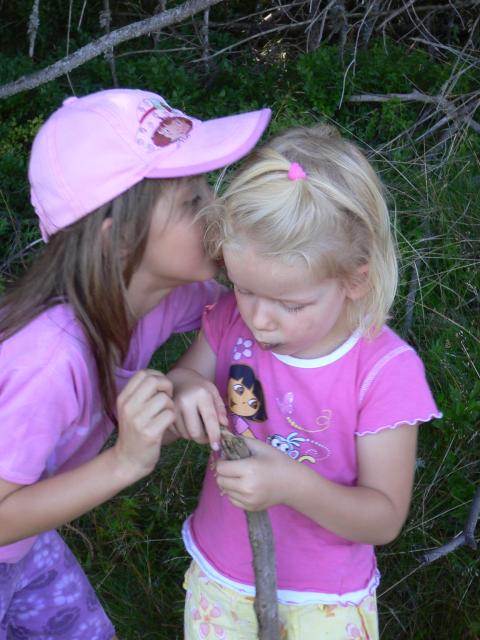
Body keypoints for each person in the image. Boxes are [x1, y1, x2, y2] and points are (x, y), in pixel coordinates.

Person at [0, 88, 271, 639]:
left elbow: (241, 312)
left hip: (22, 546)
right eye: (193, 203)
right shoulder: (48, 358)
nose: (216, 210)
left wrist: (184, 381)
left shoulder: (164, 297)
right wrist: (123, 462)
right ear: (120, 239)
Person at [169, 124, 442, 639]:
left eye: (290, 304)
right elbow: (187, 374)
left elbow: (382, 518)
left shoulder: (383, 371)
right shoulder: (232, 320)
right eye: (244, 289)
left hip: (326, 601)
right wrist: (185, 389)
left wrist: (291, 485)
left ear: (354, 279)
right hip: (221, 578)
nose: (260, 319)